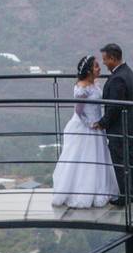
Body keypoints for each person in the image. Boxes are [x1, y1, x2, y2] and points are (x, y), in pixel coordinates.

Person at [51, 55, 119, 207]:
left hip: (97, 126)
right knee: (85, 159)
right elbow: (79, 111)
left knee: (98, 158)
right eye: (96, 66)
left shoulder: (93, 83)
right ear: (88, 70)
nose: (99, 68)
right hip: (86, 127)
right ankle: (85, 191)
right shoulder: (82, 89)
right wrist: (91, 124)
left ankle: (100, 188)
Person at [96, 43, 133, 205]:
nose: (104, 63)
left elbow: (114, 106)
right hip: (128, 125)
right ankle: (131, 193)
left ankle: (125, 197)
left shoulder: (118, 78)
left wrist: (102, 123)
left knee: (121, 162)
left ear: (113, 58)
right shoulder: (128, 72)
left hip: (119, 128)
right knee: (130, 159)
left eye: (105, 60)